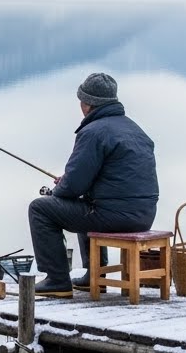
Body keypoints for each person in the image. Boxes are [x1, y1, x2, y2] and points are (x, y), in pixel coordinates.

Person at [28, 72, 158, 297]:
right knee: (83, 204)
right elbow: (110, 179)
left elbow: (73, 186)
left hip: (115, 216)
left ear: (86, 103)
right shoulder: (135, 130)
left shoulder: (93, 132)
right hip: (144, 215)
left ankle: (57, 280)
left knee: (40, 208)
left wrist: (59, 189)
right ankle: (94, 277)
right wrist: (72, 184)